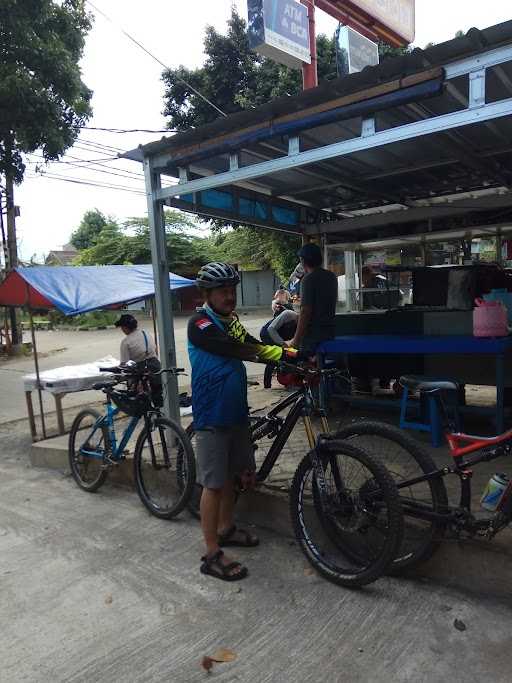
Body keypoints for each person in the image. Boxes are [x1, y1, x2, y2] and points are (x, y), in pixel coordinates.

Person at [188, 262, 296, 582]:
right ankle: (211, 553)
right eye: (222, 291)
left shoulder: (230, 321)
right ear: (207, 294)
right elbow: (238, 349)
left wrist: (289, 352)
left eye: (232, 290)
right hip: (211, 414)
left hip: (235, 409)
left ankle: (226, 528)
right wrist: (282, 355)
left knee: (236, 476)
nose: (229, 296)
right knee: (213, 483)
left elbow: (249, 341)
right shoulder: (201, 324)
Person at [289, 243, 338, 357]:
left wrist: (296, 340)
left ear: (303, 261)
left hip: (313, 337)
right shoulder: (331, 276)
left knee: (305, 367)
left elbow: (305, 311)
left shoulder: (309, 279)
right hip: (329, 332)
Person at [114, 313, 162, 399]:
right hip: (156, 367)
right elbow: (155, 350)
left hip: (141, 372)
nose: (122, 330)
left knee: (140, 399)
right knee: (158, 397)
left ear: (125, 327)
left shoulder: (126, 342)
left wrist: (117, 375)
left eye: (122, 327)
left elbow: (124, 364)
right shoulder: (146, 333)